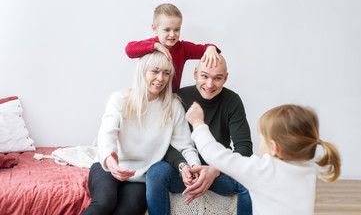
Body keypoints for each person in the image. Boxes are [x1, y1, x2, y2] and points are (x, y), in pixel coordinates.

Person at [81, 52, 201, 215]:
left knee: (125, 211)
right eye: (155, 71)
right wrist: (111, 162)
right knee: (104, 202)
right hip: (109, 167)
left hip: (140, 176)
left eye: (166, 73)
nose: (161, 78)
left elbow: (186, 146)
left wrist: (193, 168)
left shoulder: (173, 106)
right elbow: (106, 135)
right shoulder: (120, 99)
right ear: (142, 72)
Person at [186, 103, 341, 215]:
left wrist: (198, 123)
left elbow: (215, 155)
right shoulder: (309, 172)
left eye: (262, 140)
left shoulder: (264, 171)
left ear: (274, 148)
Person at [146, 55, 253, 215]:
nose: (210, 84)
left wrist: (215, 170)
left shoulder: (232, 101)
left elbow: (244, 148)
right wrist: (183, 166)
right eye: (204, 76)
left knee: (250, 182)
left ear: (226, 78)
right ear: (195, 73)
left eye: (217, 78)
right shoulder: (178, 98)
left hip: (217, 171)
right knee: (156, 173)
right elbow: (163, 143)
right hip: (183, 170)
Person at [125, 3, 222, 91]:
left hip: (172, 98)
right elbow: (129, 50)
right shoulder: (151, 44)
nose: (172, 34)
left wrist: (211, 48)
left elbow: (205, 48)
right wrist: (155, 46)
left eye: (176, 30)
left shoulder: (183, 48)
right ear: (155, 28)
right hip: (149, 95)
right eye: (167, 30)